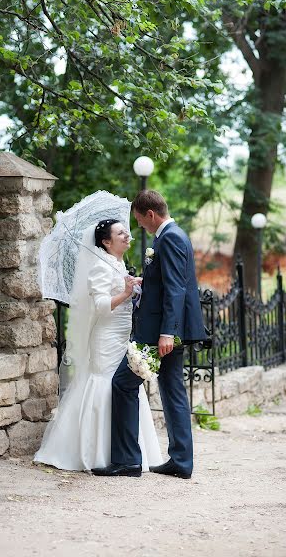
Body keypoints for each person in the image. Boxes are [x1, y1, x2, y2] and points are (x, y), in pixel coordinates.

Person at [92, 190, 207, 479]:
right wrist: (147, 282)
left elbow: (176, 289)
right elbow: (167, 282)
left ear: (151, 215)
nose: (140, 227)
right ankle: (180, 461)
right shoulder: (171, 236)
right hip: (166, 330)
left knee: (122, 384)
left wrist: (167, 332)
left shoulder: (170, 238)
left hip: (161, 332)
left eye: (140, 221)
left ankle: (128, 461)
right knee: (172, 391)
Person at [34, 218, 162, 473]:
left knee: (124, 387)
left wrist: (134, 288)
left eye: (126, 231)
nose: (127, 235)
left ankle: (130, 452)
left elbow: (123, 299)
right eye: (120, 233)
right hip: (106, 337)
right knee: (105, 382)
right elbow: (101, 306)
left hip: (122, 335)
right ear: (106, 241)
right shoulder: (99, 267)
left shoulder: (116, 263)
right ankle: (98, 452)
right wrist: (126, 293)